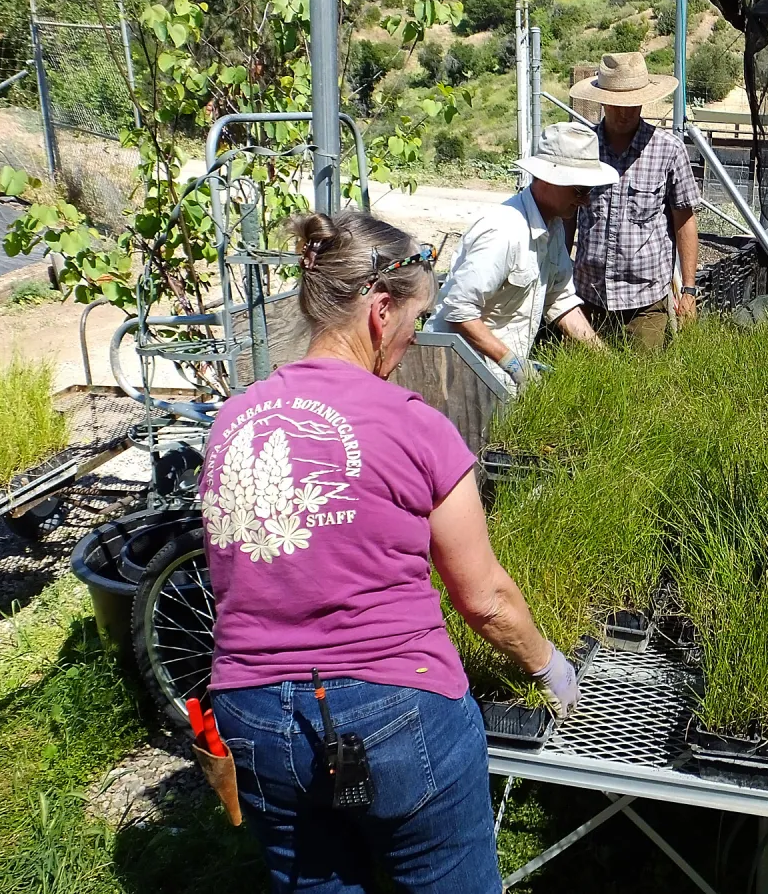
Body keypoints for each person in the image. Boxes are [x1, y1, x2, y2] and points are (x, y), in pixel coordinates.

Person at [199, 211, 580, 894]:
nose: (414, 337)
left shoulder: (233, 419)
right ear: (379, 310)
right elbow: (485, 600)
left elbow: (241, 567)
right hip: (396, 708)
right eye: (417, 316)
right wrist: (549, 668)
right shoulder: (415, 426)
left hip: (251, 712)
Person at [426, 122, 613, 392]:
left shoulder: (554, 227)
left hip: (499, 379)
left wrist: (606, 360)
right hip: (457, 380)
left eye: (589, 191)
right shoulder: (503, 231)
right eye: (579, 190)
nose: (585, 201)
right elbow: (459, 311)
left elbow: (560, 299)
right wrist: (513, 363)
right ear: (549, 179)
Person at [567, 51, 702, 349]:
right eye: (617, 105)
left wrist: (689, 290)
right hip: (589, 294)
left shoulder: (668, 150)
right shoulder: (583, 149)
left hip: (645, 301)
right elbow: (567, 217)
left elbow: (685, 220)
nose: (625, 112)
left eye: (632, 104)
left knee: (643, 384)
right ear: (603, 100)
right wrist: (560, 273)